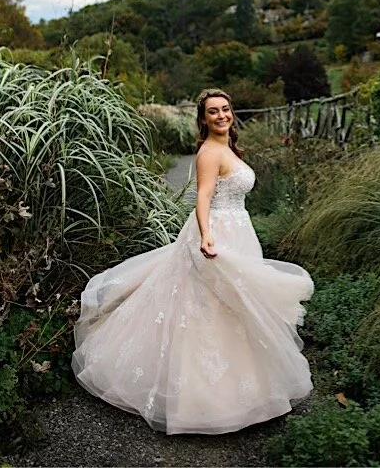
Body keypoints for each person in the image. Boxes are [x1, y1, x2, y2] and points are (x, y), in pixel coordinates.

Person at [72, 88, 314, 434]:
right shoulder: (209, 152)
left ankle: (251, 389)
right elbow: (202, 195)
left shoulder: (228, 147)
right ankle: (205, 400)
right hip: (217, 231)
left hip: (240, 231)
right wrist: (205, 236)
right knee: (207, 307)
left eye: (226, 109)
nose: (221, 116)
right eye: (213, 111)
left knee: (239, 304)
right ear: (203, 119)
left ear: (232, 113)